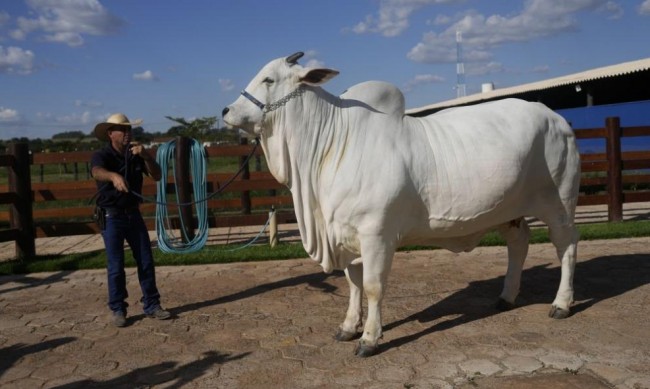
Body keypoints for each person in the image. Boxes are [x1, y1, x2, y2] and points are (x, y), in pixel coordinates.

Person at [90, 113, 171, 327]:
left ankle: (152, 305)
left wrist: (147, 157)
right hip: (111, 216)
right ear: (110, 134)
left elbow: (157, 175)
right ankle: (118, 309)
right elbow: (97, 172)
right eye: (122, 130)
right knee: (116, 265)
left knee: (145, 260)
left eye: (129, 130)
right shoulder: (102, 155)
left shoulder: (136, 154)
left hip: (133, 214)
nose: (127, 133)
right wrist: (114, 176)